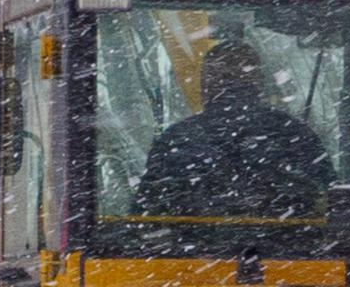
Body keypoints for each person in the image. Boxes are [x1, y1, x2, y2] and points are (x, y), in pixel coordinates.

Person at [134, 29, 332, 230]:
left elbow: (146, 217)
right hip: (292, 252)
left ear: (206, 85)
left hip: (189, 255)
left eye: (212, 78)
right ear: (261, 83)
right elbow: (330, 203)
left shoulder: (178, 139)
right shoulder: (293, 134)